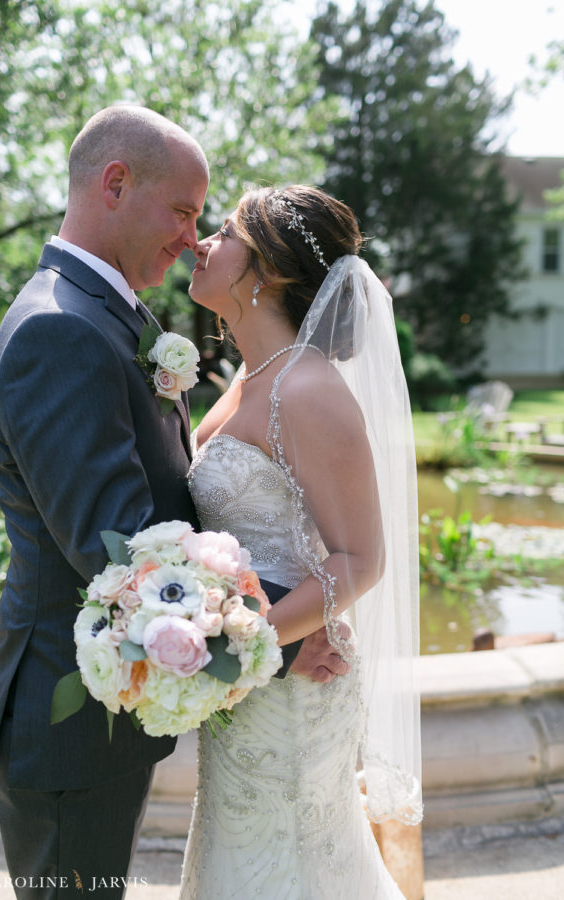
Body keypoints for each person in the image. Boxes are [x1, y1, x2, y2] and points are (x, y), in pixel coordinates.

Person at [0, 109, 344, 898]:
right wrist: (277, 628)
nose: (192, 236)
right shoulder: (59, 330)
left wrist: (280, 620)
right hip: (65, 729)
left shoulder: (107, 315)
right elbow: (125, 546)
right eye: (183, 210)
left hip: (103, 724)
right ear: (115, 184)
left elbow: (172, 496)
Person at [181, 185, 423, 897]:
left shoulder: (307, 390)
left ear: (273, 272)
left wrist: (243, 642)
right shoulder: (245, 383)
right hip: (248, 681)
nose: (201, 242)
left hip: (284, 688)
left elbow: (361, 558)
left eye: (226, 233)